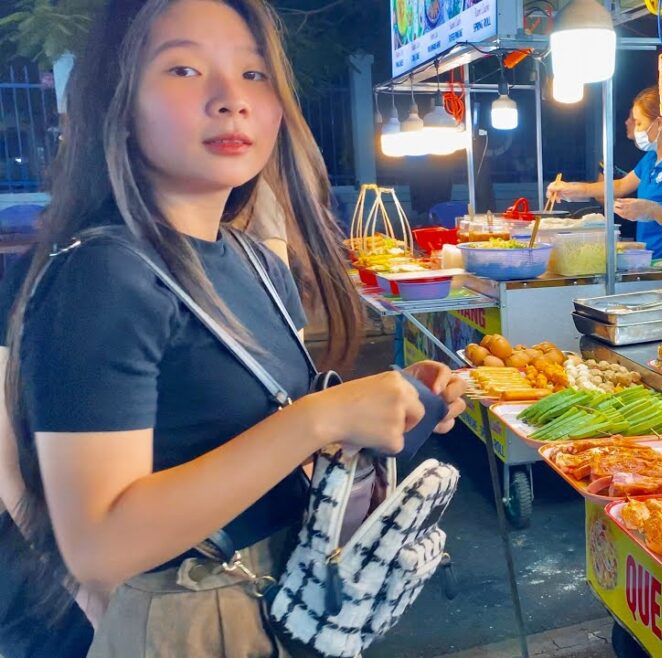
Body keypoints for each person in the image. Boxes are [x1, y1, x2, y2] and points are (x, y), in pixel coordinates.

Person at [2, 1, 467, 656]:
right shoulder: (103, 273)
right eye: (184, 69)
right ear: (118, 102)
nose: (231, 99)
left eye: (254, 74)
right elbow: (99, 548)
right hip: (194, 621)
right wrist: (319, 418)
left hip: (283, 599)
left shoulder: (254, 261)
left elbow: (264, 440)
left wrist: (387, 405)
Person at [547, 87, 662, 258]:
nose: (636, 129)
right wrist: (574, 189)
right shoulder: (651, 159)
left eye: (639, 123)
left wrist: (653, 211)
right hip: (650, 259)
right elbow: (620, 186)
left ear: (659, 124)